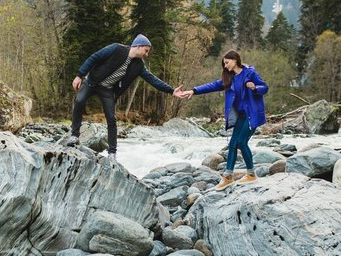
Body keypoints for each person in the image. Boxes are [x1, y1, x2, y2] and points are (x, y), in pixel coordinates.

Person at [66, 34, 185, 159]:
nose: (146, 54)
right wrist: (79, 75)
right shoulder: (116, 48)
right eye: (146, 50)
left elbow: (152, 79)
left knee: (111, 118)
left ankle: (112, 153)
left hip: (107, 90)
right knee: (79, 101)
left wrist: (172, 91)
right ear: (138, 47)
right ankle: (74, 136)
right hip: (91, 82)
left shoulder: (139, 65)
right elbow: (94, 57)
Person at [178, 50, 269, 190]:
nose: (225, 66)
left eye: (227, 63)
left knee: (241, 142)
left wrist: (255, 87)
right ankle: (228, 177)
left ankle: (251, 174)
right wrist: (193, 91)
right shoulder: (230, 78)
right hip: (241, 116)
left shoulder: (250, 73)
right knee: (232, 144)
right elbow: (212, 86)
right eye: (224, 64)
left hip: (252, 114)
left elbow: (265, 88)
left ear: (235, 60)